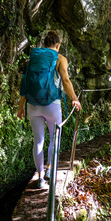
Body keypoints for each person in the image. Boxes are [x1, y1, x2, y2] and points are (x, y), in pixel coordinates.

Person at [17, 31, 82, 189]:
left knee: (38, 141)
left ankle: (39, 178)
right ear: (58, 45)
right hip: (52, 105)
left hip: (33, 105)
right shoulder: (60, 58)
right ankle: (49, 170)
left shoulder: (35, 56)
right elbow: (65, 80)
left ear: (44, 43)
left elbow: (27, 81)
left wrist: (21, 107)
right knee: (55, 138)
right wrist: (74, 98)